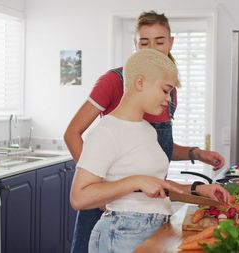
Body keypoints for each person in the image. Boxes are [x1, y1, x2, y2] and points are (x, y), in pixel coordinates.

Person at [64, 11, 226, 253]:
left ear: (171, 43)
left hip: (148, 217)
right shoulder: (111, 107)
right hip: (116, 213)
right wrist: (102, 185)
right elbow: (82, 189)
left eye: (159, 41)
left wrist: (195, 186)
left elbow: (150, 170)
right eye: (144, 42)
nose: (168, 98)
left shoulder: (147, 127)